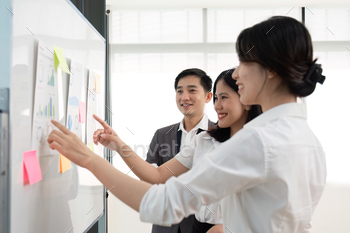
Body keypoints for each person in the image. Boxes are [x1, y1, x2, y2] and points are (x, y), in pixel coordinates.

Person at [48, 16, 327, 233]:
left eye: (244, 61)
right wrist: (119, 145)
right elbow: (157, 177)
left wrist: (88, 159)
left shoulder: (258, 140)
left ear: (273, 70)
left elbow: (164, 203)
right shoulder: (307, 139)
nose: (237, 72)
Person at [91, 69, 262, 233]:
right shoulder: (204, 140)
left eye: (224, 97)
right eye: (217, 98)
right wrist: (118, 145)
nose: (217, 105)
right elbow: (156, 175)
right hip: (195, 226)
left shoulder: (262, 145)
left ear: (246, 99)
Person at [145, 68, 214, 233]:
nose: (185, 97)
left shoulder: (220, 134)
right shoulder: (162, 134)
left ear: (208, 96)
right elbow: (149, 174)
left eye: (192, 90)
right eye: (179, 91)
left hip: (203, 225)